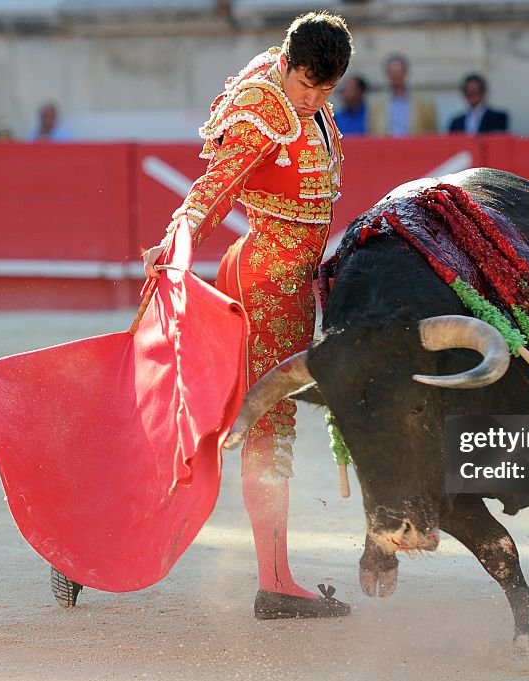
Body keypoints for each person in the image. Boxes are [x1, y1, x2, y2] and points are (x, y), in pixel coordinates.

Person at [142, 11, 353, 620]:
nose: (312, 99)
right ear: (286, 64)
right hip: (268, 285)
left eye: (324, 90)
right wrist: (175, 241)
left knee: (217, 416)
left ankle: (114, 517)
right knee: (268, 420)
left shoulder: (298, 94)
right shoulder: (263, 106)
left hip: (289, 280)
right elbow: (211, 191)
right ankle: (275, 583)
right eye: (305, 85)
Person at [367, 53, 437, 136]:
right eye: (392, 73)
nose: (395, 76)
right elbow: (372, 133)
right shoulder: (376, 105)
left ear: (405, 72)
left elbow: (431, 133)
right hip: (387, 147)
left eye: (398, 72)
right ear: (387, 74)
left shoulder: (425, 103)